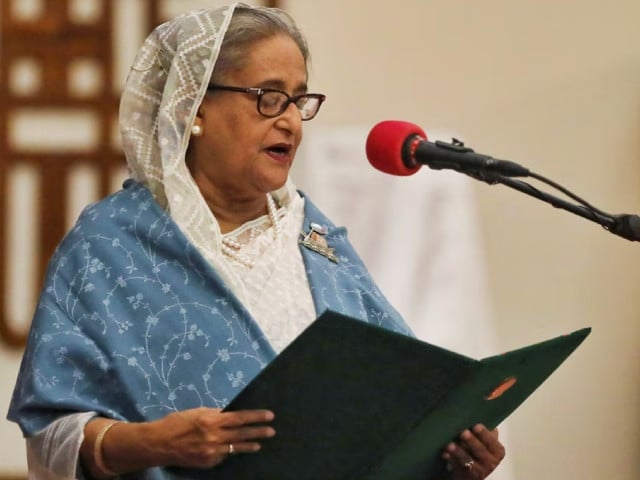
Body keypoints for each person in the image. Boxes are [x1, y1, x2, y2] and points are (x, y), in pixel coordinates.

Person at [7, 3, 505, 479]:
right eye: (268, 97)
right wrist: (153, 444)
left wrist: (450, 455)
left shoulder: (315, 236)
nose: (289, 120)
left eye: (299, 99)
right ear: (194, 109)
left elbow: (399, 404)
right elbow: (51, 435)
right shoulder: (110, 245)